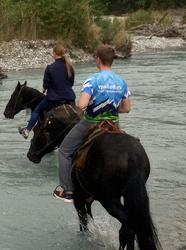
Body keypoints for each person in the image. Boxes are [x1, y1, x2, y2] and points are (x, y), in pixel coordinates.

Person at [54, 44, 130, 202]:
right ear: (112, 60)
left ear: (98, 60)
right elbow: (126, 108)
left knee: (63, 151)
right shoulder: (121, 82)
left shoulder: (92, 80)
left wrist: (94, 107)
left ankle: (68, 191)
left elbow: (81, 105)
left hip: (91, 124)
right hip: (113, 125)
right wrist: (111, 108)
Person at [21, 43, 75, 139]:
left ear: (55, 53)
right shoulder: (69, 67)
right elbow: (71, 83)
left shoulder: (50, 68)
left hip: (54, 99)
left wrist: (44, 89)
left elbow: (46, 84)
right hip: (69, 97)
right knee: (76, 114)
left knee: (37, 110)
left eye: (53, 53)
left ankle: (27, 131)